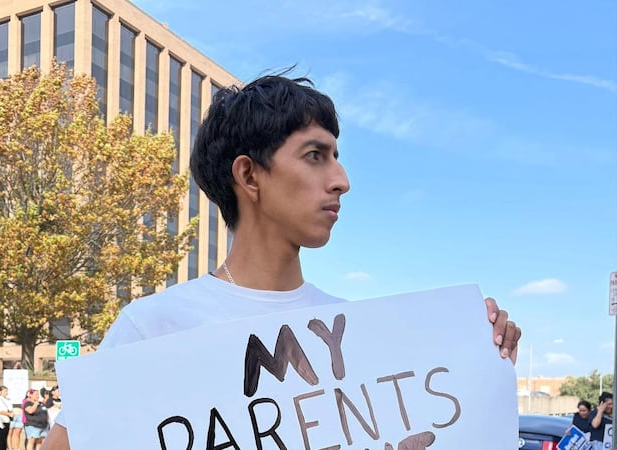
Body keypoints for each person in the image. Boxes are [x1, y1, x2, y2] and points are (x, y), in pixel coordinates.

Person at [41, 73, 522, 448]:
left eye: (336, 156)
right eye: (315, 155)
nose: (341, 179)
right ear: (249, 176)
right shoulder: (154, 329)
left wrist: (481, 360)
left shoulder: (363, 340)